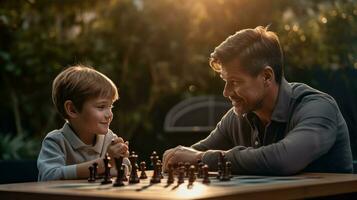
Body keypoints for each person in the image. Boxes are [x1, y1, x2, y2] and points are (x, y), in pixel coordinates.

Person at [162, 26, 353, 175]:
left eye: (235, 82)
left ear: (267, 77)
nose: (226, 92)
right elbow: (192, 154)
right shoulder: (237, 118)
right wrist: (174, 157)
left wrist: (200, 159)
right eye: (225, 81)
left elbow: (284, 160)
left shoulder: (318, 108)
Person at [37, 65, 130, 181]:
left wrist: (119, 162)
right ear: (72, 109)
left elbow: (126, 167)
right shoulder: (55, 141)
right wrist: (103, 164)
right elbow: (49, 176)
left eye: (110, 106)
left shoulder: (110, 138)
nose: (109, 114)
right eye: (101, 107)